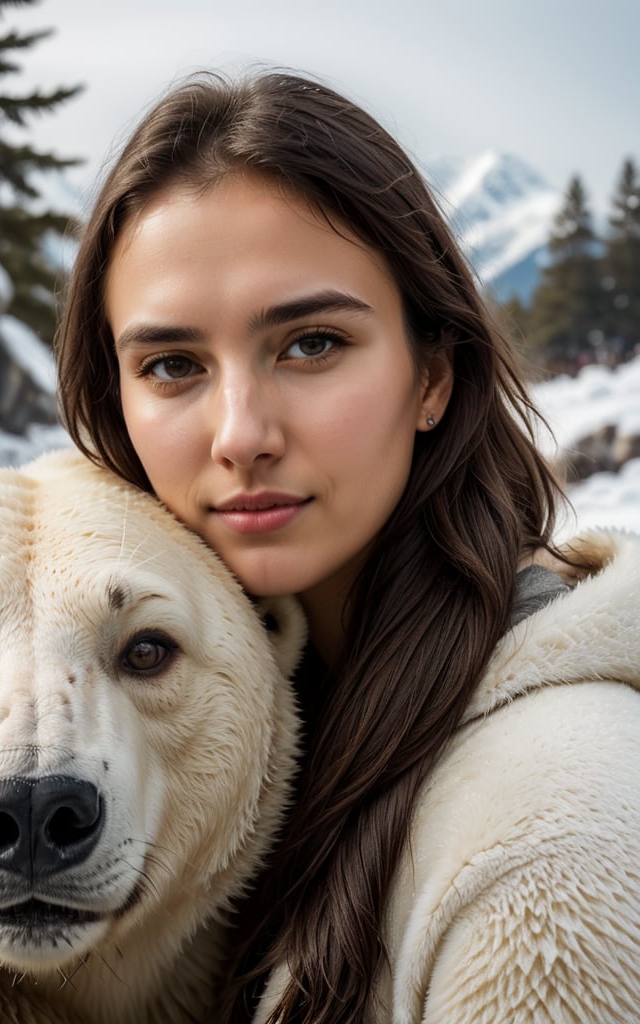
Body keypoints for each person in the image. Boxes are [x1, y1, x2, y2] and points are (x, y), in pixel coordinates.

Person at [54, 70, 640, 1023]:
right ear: (114, 401)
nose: (239, 433)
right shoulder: (224, 734)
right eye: (171, 365)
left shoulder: (553, 841)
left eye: (311, 344)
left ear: (432, 379)